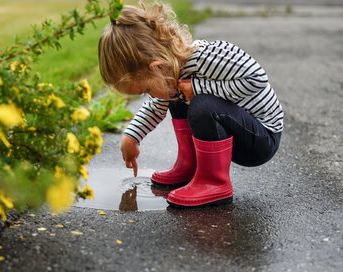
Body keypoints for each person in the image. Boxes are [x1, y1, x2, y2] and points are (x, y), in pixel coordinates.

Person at [98, 1, 283, 208]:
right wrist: (132, 136)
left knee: (201, 103)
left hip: (261, 138)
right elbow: (156, 106)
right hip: (233, 135)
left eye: (147, 90)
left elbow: (257, 79)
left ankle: (214, 184)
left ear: (157, 67)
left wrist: (197, 87)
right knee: (175, 95)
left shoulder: (210, 57)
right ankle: (191, 167)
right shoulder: (170, 72)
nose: (149, 96)